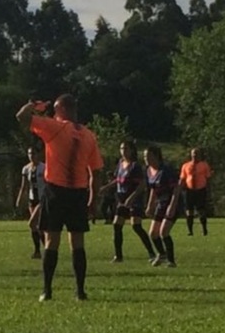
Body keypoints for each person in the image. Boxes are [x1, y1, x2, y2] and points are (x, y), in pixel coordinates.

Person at [16, 95, 104, 301]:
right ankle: (80, 291)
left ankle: (47, 290)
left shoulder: (54, 127)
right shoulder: (89, 135)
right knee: (77, 242)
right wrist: (93, 200)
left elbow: (21, 117)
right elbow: (96, 172)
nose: (54, 114)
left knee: (51, 240)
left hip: (56, 191)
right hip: (79, 192)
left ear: (63, 109)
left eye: (56, 110)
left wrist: (33, 106)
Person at [99, 140, 155, 263]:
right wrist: (106, 187)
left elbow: (142, 185)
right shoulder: (120, 163)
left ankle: (152, 253)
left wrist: (132, 197)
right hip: (121, 199)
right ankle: (118, 256)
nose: (123, 151)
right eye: (121, 148)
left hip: (134, 200)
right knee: (117, 225)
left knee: (136, 226)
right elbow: (118, 180)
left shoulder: (135, 166)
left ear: (131, 150)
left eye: (126, 148)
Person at [145, 145, 182, 267]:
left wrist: (172, 206)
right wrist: (150, 205)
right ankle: (162, 254)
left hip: (172, 202)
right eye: (145, 156)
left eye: (149, 156)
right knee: (152, 233)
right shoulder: (149, 171)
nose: (146, 159)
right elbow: (153, 189)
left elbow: (176, 188)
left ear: (156, 156)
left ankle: (171, 261)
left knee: (163, 232)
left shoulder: (166, 170)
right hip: (161, 203)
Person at [15, 145, 46, 259]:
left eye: (33, 153)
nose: (31, 156)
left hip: (42, 200)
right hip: (32, 199)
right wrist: (19, 199)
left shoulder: (44, 168)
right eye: (29, 154)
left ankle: (46, 249)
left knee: (32, 223)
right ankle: (39, 250)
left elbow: (48, 184)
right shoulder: (26, 169)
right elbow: (24, 186)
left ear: (38, 154)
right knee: (36, 227)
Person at [179, 147, 212, 236]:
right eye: (193, 153)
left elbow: (208, 178)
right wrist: (179, 189)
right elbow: (182, 179)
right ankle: (190, 231)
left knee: (201, 210)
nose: (195, 155)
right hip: (189, 191)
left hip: (200, 190)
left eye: (196, 153)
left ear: (200, 155)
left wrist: (208, 190)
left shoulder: (204, 165)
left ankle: (204, 230)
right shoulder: (185, 166)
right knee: (189, 211)